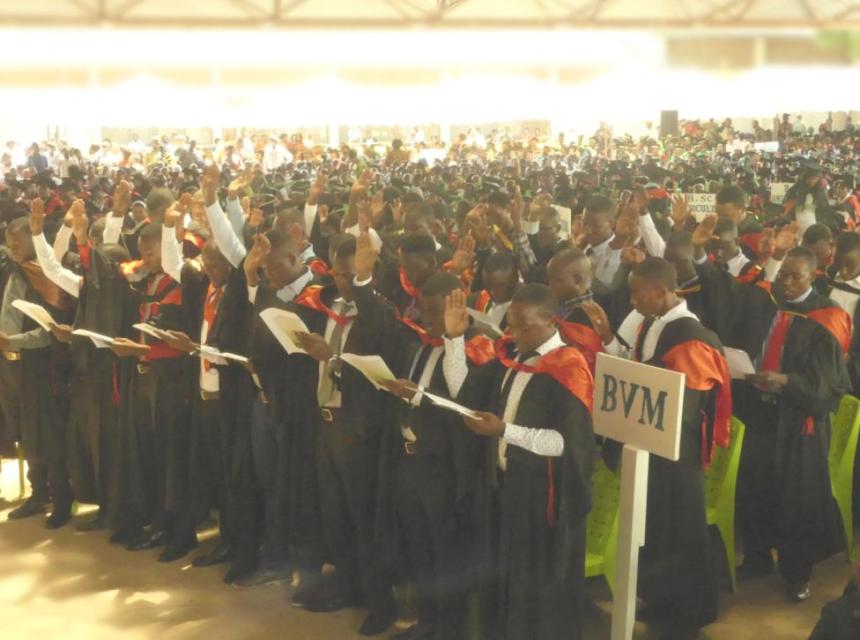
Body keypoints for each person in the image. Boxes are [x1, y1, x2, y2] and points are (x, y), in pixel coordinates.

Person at [587, 257, 732, 639]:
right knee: (654, 528)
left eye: (638, 292)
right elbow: (639, 371)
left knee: (679, 527)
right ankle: (660, 597)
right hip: (650, 445)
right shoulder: (652, 324)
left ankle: (687, 611)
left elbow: (683, 405)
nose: (632, 300)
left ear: (662, 290)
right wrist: (607, 340)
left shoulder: (691, 336)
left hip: (677, 453)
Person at [458, 283, 595, 640]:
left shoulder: (569, 368)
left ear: (551, 321)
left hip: (541, 498)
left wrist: (504, 430)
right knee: (506, 583)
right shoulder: (516, 359)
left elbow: (565, 444)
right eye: (511, 325)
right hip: (506, 487)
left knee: (535, 590)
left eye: (524, 326)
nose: (514, 333)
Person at [287, 235, 396, 635]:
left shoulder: (379, 313)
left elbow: (378, 371)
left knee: (364, 519)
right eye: (338, 272)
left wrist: (329, 357)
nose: (343, 281)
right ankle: (349, 586)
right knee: (334, 515)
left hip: (359, 428)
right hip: (324, 421)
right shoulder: (326, 308)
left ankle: (381, 603)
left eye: (352, 274)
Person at [731, 247, 850, 602]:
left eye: (795, 275)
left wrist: (785, 381)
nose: (786, 281)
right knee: (753, 487)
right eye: (783, 273)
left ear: (813, 275)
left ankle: (797, 573)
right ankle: (757, 558)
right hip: (762, 414)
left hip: (800, 424)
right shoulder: (770, 305)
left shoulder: (828, 317)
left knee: (795, 501)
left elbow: (830, 385)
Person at [0, 216, 75, 527]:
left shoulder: (49, 275)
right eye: (10, 243)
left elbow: (49, 331)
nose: (13, 248)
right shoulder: (14, 270)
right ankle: (37, 492)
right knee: (28, 431)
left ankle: (61, 498)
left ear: (34, 240)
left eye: (18, 243)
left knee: (49, 433)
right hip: (15, 364)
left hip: (47, 365)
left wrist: (10, 340)